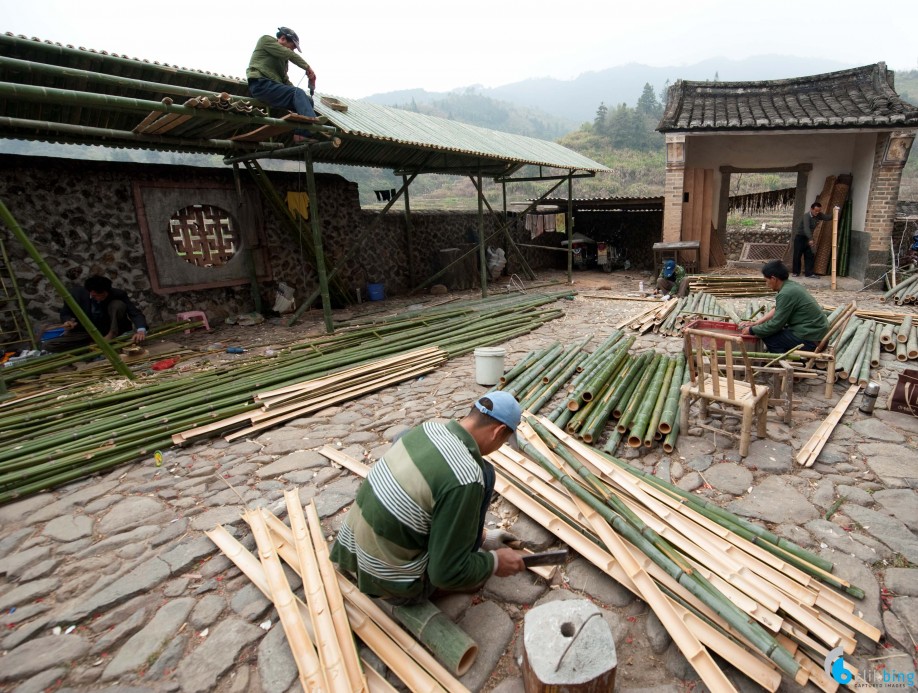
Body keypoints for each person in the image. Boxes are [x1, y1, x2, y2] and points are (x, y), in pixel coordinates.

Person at [330, 392, 527, 603]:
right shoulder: (466, 478)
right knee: (482, 477)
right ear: (497, 432)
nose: (500, 446)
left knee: (485, 471)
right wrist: (494, 563)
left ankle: (470, 540)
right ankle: (461, 559)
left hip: (354, 552)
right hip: (389, 581)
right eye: (504, 441)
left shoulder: (427, 429)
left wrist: (482, 537)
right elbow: (445, 573)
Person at [246, 27, 320, 142]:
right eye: (293, 47)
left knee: (308, 100)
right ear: (283, 38)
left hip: (273, 89)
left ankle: (302, 133)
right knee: (298, 93)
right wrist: (307, 67)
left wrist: (298, 93)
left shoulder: (283, 61)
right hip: (261, 84)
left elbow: (285, 80)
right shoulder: (266, 40)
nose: (292, 51)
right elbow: (288, 53)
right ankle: (313, 125)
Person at [739, 260, 827, 353]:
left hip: (812, 340)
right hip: (815, 335)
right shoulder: (790, 286)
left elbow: (775, 325)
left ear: (773, 278)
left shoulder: (786, 293)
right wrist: (756, 323)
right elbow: (778, 309)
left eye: (766, 280)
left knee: (769, 336)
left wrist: (752, 330)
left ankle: (780, 362)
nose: (766, 284)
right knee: (772, 331)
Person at [44, 275, 148, 352]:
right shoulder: (75, 295)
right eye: (95, 296)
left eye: (102, 295)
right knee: (49, 345)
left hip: (109, 330)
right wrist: (68, 321)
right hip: (86, 332)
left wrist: (141, 330)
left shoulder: (118, 294)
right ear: (90, 292)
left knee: (118, 304)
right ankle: (91, 347)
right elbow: (65, 313)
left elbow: (134, 312)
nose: (99, 298)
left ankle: (109, 338)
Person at [792, 202, 833, 278]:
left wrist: (835, 211)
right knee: (797, 255)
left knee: (810, 255)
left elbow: (828, 218)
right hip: (800, 237)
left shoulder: (819, 215)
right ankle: (796, 272)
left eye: (819, 211)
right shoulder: (806, 216)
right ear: (811, 209)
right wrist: (811, 239)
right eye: (815, 211)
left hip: (808, 237)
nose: (817, 213)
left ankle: (809, 273)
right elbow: (806, 228)